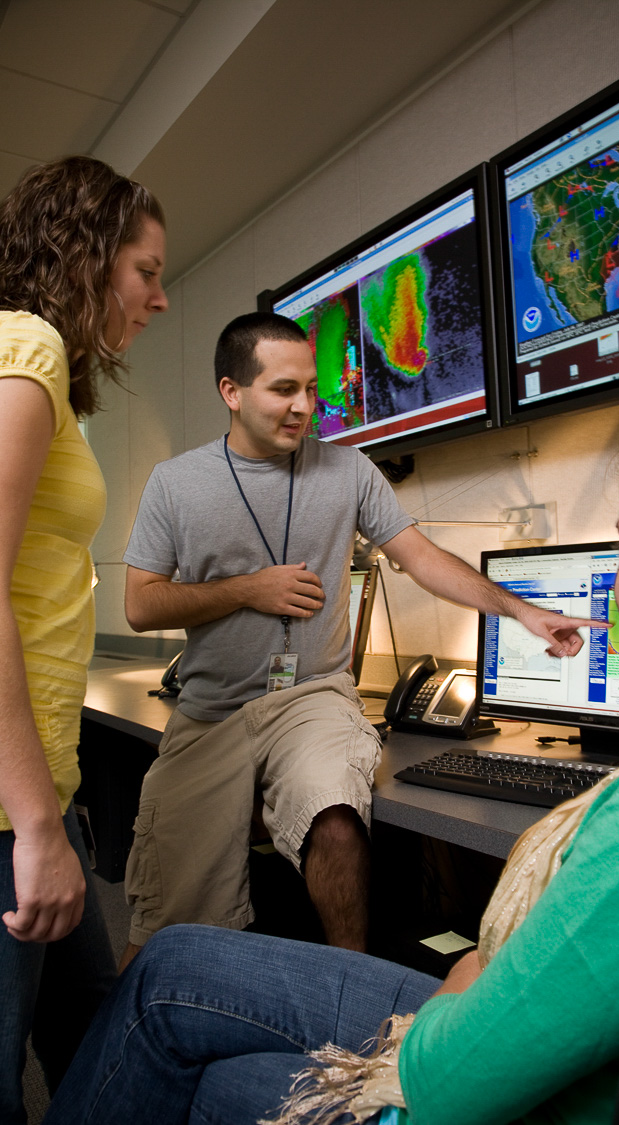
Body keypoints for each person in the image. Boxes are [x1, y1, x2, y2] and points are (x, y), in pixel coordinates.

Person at [43, 390, 619, 1125]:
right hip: (530, 1027)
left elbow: (449, 1079)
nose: (303, 404)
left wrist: (472, 967)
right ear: (231, 392)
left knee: (202, 1058)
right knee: (169, 954)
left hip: (462, 1075)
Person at [118, 311, 595, 966]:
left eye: (311, 389)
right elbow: (140, 604)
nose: (303, 407)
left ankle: (355, 988)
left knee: (336, 815)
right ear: (231, 391)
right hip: (212, 711)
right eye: (283, 389)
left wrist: (521, 610)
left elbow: (422, 557)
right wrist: (247, 589)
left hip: (313, 695)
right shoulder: (176, 483)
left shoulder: (348, 470)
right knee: (164, 915)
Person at [0, 155, 168, 1123]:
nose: (155, 295)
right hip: (13, 809)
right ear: (86, 255)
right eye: (143, 270)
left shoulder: (41, 368)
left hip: (40, 789)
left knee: (97, 1044)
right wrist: (33, 827)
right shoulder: (28, 348)